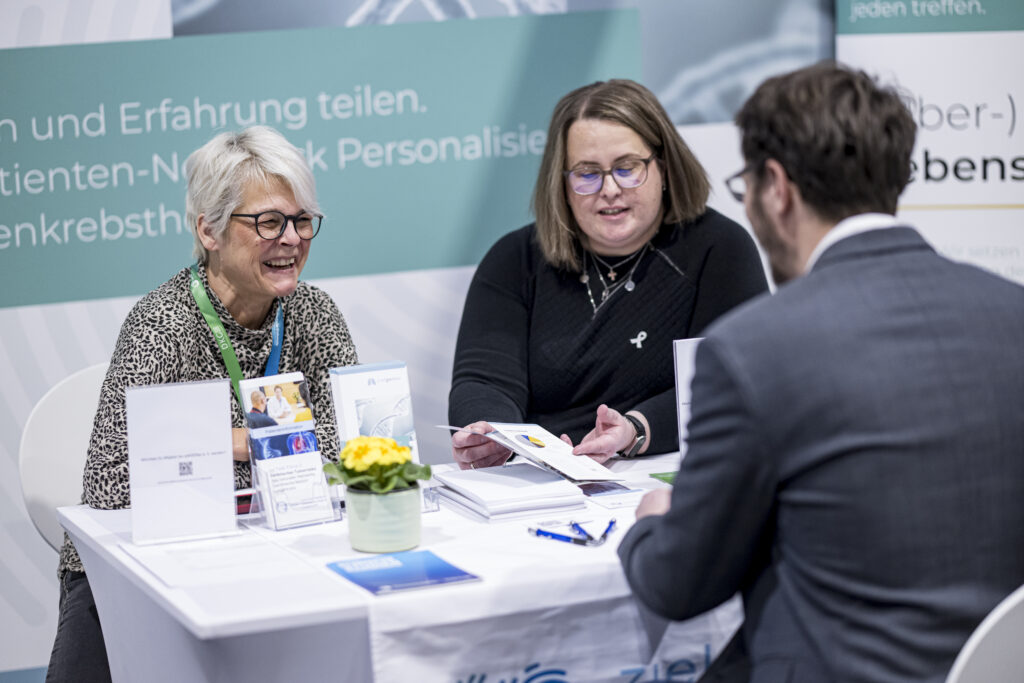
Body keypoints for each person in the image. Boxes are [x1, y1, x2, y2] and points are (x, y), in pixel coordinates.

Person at [617, 62, 1024, 682]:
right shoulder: (1013, 311)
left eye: (745, 184)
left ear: (776, 187)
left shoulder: (753, 348)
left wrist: (651, 524)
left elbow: (679, 584)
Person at [47, 125, 358, 683]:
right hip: (137, 567)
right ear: (208, 230)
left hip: (283, 545)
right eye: (267, 221)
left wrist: (211, 443)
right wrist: (265, 440)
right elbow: (114, 486)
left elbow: (348, 453)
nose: (291, 238)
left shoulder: (315, 315)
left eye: (301, 219)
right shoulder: (161, 322)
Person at [448, 79, 768, 469]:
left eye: (627, 168)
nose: (610, 189)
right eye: (587, 174)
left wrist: (633, 429)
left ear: (663, 167)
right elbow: (483, 380)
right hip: (541, 482)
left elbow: (734, 383)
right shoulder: (514, 259)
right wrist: (493, 434)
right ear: (562, 184)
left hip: (670, 474)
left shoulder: (721, 250)